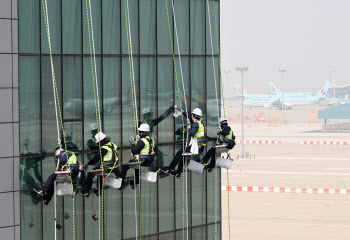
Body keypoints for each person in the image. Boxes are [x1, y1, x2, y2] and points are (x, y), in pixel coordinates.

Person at [162, 107, 206, 178]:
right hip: (199, 147)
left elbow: (192, 133)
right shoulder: (200, 123)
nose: (191, 116)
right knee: (182, 155)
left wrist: (188, 129)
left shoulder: (195, 124)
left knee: (179, 153)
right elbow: (189, 118)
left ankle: (169, 169)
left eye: (192, 115)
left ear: (194, 116)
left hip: (195, 147)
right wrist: (183, 112)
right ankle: (178, 172)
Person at [82, 131, 120, 197]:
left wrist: (87, 164)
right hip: (114, 168)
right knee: (99, 172)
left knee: (91, 173)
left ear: (101, 141)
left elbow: (96, 159)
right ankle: (99, 190)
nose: (99, 145)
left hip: (107, 168)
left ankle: (86, 191)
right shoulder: (112, 145)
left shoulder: (103, 148)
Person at [120, 123, 156, 189]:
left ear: (144, 132)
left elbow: (134, 151)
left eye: (140, 132)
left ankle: (120, 184)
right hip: (149, 161)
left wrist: (132, 144)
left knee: (125, 166)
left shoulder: (142, 141)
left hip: (143, 161)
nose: (139, 133)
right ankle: (135, 182)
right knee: (135, 165)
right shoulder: (151, 140)